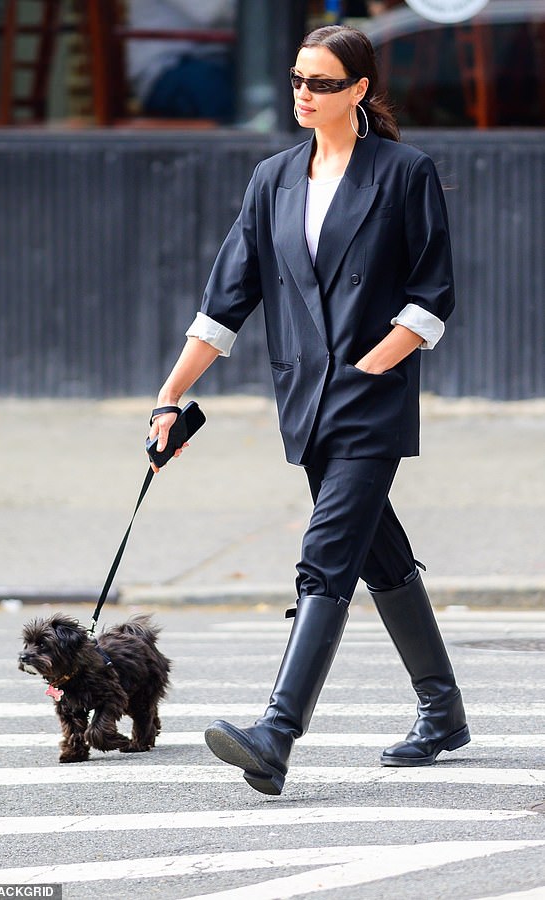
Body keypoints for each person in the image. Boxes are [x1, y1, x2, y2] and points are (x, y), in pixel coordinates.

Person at [148, 24, 469, 796]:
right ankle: (444, 711)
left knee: (325, 557)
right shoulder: (273, 181)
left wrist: (375, 363)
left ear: (358, 91)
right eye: (297, 78)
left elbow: (432, 296)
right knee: (379, 554)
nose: (303, 93)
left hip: (370, 398)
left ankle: (276, 733)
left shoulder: (404, 173)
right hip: (306, 400)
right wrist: (168, 397)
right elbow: (225, 303)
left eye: (321, 83)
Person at [126, 0, 236, 122]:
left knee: (254, 83)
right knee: (219, 93)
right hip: (165, 70)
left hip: (213, 64)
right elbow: (215, 12)